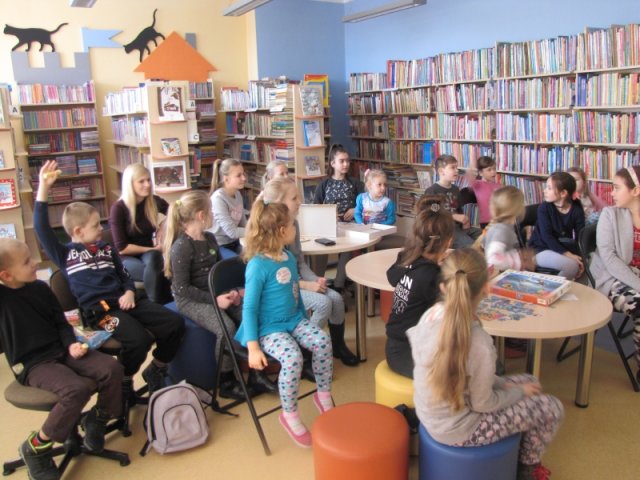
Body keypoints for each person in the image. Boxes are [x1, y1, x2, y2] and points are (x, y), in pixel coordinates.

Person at [408, 248, 564, 480]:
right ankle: (527, 469)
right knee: (552, 407)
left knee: (529, 381)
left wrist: (507, 386)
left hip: (431, 414)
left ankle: (519, 440)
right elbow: (483, 404)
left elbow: (465, 378)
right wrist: (518, 392)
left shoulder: (430, 316)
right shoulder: (479, 342)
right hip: (461, 429)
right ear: (486, 289)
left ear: (444, 287)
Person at [34, 160, 185, 399]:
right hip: (100, 313)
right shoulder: (66, 254)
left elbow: (124, 275)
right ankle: (125, 382)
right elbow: (41, 228)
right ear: (78, 231)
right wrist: (43, 188)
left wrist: (129, 291)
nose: (101, 229)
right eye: (95, 226)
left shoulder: (106, 248)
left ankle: (157, 368)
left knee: (174, 323)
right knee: (137, 340)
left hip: (127, 301)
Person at [0, 238, 123, 480]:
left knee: (111, 368)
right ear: (6, 275)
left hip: (62, 349)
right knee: (75, 389)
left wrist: (71, 344)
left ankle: (96, 420)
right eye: (26, 262)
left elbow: (61, 322)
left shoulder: (40, 288)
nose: (35, 263)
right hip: (33, 363)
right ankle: (36, 448)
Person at [238, 197, 334, 448]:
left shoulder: (288, 257)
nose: (295, 228)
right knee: (293, 358)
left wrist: (303, 321)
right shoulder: (257, 266)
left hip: (293, 320)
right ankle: (289, 414)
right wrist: (253, 347)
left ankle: (323, 394)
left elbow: (294, 292)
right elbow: (249, 308)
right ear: (282, 231)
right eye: (292, 224)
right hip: (268, 328)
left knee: (322, 341)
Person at [163, 190, 277, 398]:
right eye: (210, 211)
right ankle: (226, 380)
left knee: (248, 316)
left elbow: (217, 273)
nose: (213, 215)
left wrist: (231, 292)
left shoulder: (209, 238)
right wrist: (214, 300)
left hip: (214, 292)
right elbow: (181, 289)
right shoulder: (182, 247)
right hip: (190, 300)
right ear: (201, 215)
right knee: (227, 328)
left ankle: (256, 374)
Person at [262, 177, 358, 366]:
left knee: (337, 299)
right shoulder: (268, 232)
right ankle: (305, 352)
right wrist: (307, 285)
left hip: (300, 282)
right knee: (323, 303)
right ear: (279, 203)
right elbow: (276, 278)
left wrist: (315, 280)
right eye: (294, 198)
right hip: (283, 289)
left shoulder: (294, 224)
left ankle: (338, 346)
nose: (300, 202)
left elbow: (300, 262)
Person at [385, 195, 454, 378]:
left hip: (396, 345)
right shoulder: (432, 276)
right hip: (411, 352)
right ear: (448, 242)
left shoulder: (407, 256)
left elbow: (391, 277)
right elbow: (452, 309)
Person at [591, 165, 640, 385]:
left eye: (617, 188)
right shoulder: (609, 215)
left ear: (635, 191)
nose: (612, 193)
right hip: (613, 279)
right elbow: (610, 260)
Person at [109, 163, 172, 304]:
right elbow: (122, 248)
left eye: (148, 180)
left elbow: (175, 211)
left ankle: (162, 303)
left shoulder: (152, 201)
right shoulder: (118, 208)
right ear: (130, 184)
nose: (147, 185)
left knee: (158, 261)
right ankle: (157, 304)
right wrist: (153, 249)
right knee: (158, 268)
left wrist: (164, 224)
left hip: (149, 254)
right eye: (141, 181)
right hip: (125, 257)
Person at [313, 144, 364, 291]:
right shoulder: (324, 184)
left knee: (348, 247)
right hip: (329, 225)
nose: (346, 164)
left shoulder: (355, 183)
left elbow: (365, 203)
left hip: (351, 225)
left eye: (347, 161)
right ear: (332, 163)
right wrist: (327, 214)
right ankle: (318, 282)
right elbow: (315, 207)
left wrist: (356, 209)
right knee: (320, 246)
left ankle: (339, 284)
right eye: (342, 161)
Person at [528, 172, 585, 279]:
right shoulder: (544, 208)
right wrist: (568, 254)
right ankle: (553, 288)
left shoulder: (576, 208)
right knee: (572, 266)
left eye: (549, 188)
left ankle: (567, 285)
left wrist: (580, 257)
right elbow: (547, 237)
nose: (544, 190)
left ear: (563, 193)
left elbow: (580, 236)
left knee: (584, 262)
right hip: (540, 249)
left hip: (561, 247)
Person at [425, 154, 481, 248]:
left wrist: (464, 221)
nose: (457, 170)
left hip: (459, 228)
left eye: (456, 167)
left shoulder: (455, 189)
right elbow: (432, 214)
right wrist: (453, 216)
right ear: (441, 171)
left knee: (485, 237)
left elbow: (458, 209)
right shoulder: (432, 191)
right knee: (472, 246)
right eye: (452, 167)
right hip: (444, 230)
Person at [479, 186, 536, 272]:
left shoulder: (500, 227)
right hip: (502, 276)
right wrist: (519, 261)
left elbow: (484, 246)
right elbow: (493, 259)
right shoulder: (503, 231)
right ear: (517, 209)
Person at [208, 158, 248, 254]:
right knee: (237, 262)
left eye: (243, 174)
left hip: (235, 242)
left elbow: (244, 224)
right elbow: (232, 232)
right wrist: (257, 231)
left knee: (256, 256)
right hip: (218, 245)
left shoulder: (238, 194)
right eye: (238, 175)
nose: (244, 178)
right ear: (226, 179)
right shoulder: (218, 198)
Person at [465, 156, 501, 229]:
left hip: (498, 219)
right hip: (485, 221)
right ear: (481, 173)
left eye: (494, 169)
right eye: (489, 170)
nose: (493, 172)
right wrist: (472, 166)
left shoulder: (498, 185)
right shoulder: (478, 184)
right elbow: (469, 176)